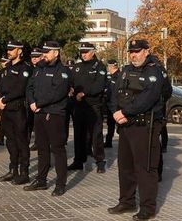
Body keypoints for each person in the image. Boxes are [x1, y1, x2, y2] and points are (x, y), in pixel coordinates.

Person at [108, 38, 167, 221]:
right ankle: (126, 201)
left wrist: (125, 112)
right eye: (131, 52)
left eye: (138, 51)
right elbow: (115, 94)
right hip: (125, 125)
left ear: (146, 51)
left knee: (145, 168)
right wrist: (115, 112)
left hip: (144, 126)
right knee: (125, 166)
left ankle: (147, 207)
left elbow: (148, 98)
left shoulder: (154, 71)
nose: (134, 55)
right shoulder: (126, 71)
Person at [26, 40, 74, 194]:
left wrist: (39, 103)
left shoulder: (63, 71)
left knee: (58, 149)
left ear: (56, 53)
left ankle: (61, 184)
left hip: (54, 114)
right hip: (39, 113)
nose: (44, 55)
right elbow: (30, 87)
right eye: (43, 52)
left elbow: (58, 92)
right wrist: (32, 102)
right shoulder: (39, 68)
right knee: (42, 149)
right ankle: (41, 180)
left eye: (47, 52)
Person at [0, 41, 33, 184]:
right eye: (8, 49)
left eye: (12, 49)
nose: (8, 51)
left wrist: (4, 100)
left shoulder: (25, 68)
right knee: (10, 142)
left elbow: (21, 88)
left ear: (20, 51)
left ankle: (24, 173)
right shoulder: (6, 69)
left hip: (18, 110)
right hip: (6, 111)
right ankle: (13, 170)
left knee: (22, 142)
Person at [70, 42, 109, 173]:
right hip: (78, 105)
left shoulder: (100, 66)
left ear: (93, 52)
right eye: (82, 52)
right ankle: (78, 160)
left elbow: (99, 85)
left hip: (93, 105)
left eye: (86, 52)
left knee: (95, 135)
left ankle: (100, 161)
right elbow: (71, 82)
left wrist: (84, 93)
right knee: (78, 134)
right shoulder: (77, 66)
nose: (83, 54)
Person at [103, 59, 120, 148]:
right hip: (110, 105)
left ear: (111, 66)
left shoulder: (119, 76)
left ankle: (124, 142)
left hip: (117, 105)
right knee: (110, 125)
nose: (107, 68)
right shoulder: (110, 76)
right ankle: (108, 142)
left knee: (120, 125)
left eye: (108, 66)